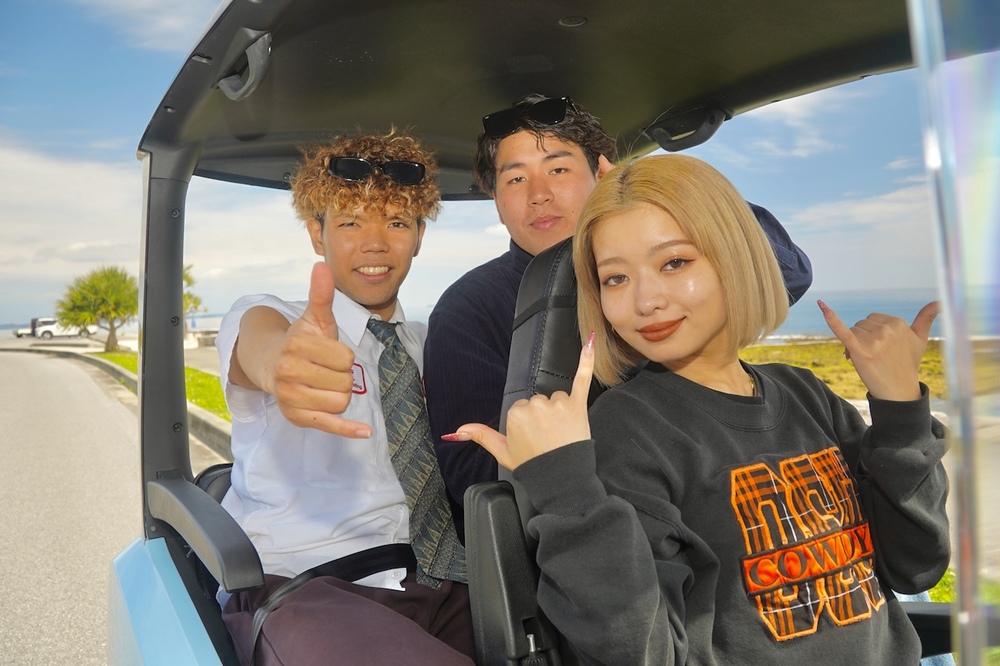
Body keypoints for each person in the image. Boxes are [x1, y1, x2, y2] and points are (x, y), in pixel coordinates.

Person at [447, 154, 950, 664]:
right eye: (615, 278)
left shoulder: (806, 395)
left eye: (674, 263)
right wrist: (566, 489)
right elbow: (641, 651)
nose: (645, 301)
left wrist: (899, 409)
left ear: (737, 259)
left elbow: (914, 566)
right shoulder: (627, 430)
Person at [424, 94, 814, 540]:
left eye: (558, 169)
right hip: (600, 531)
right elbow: (476, 478)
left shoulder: (661, 269)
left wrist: (654, 193)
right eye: (515, 179)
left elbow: (787, 274)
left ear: (600, 174)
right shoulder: (469, 308)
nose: (539, 195)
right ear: (496, 200)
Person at [215, 131, 474, 666]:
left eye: (396, 223)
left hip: (446, 578)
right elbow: (261, 349)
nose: (374, 244)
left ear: (419, 236)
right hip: (310, 586)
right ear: (317, 233)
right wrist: (281, 365)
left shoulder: (434, 344)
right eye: (351, 222)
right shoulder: (274, 317)